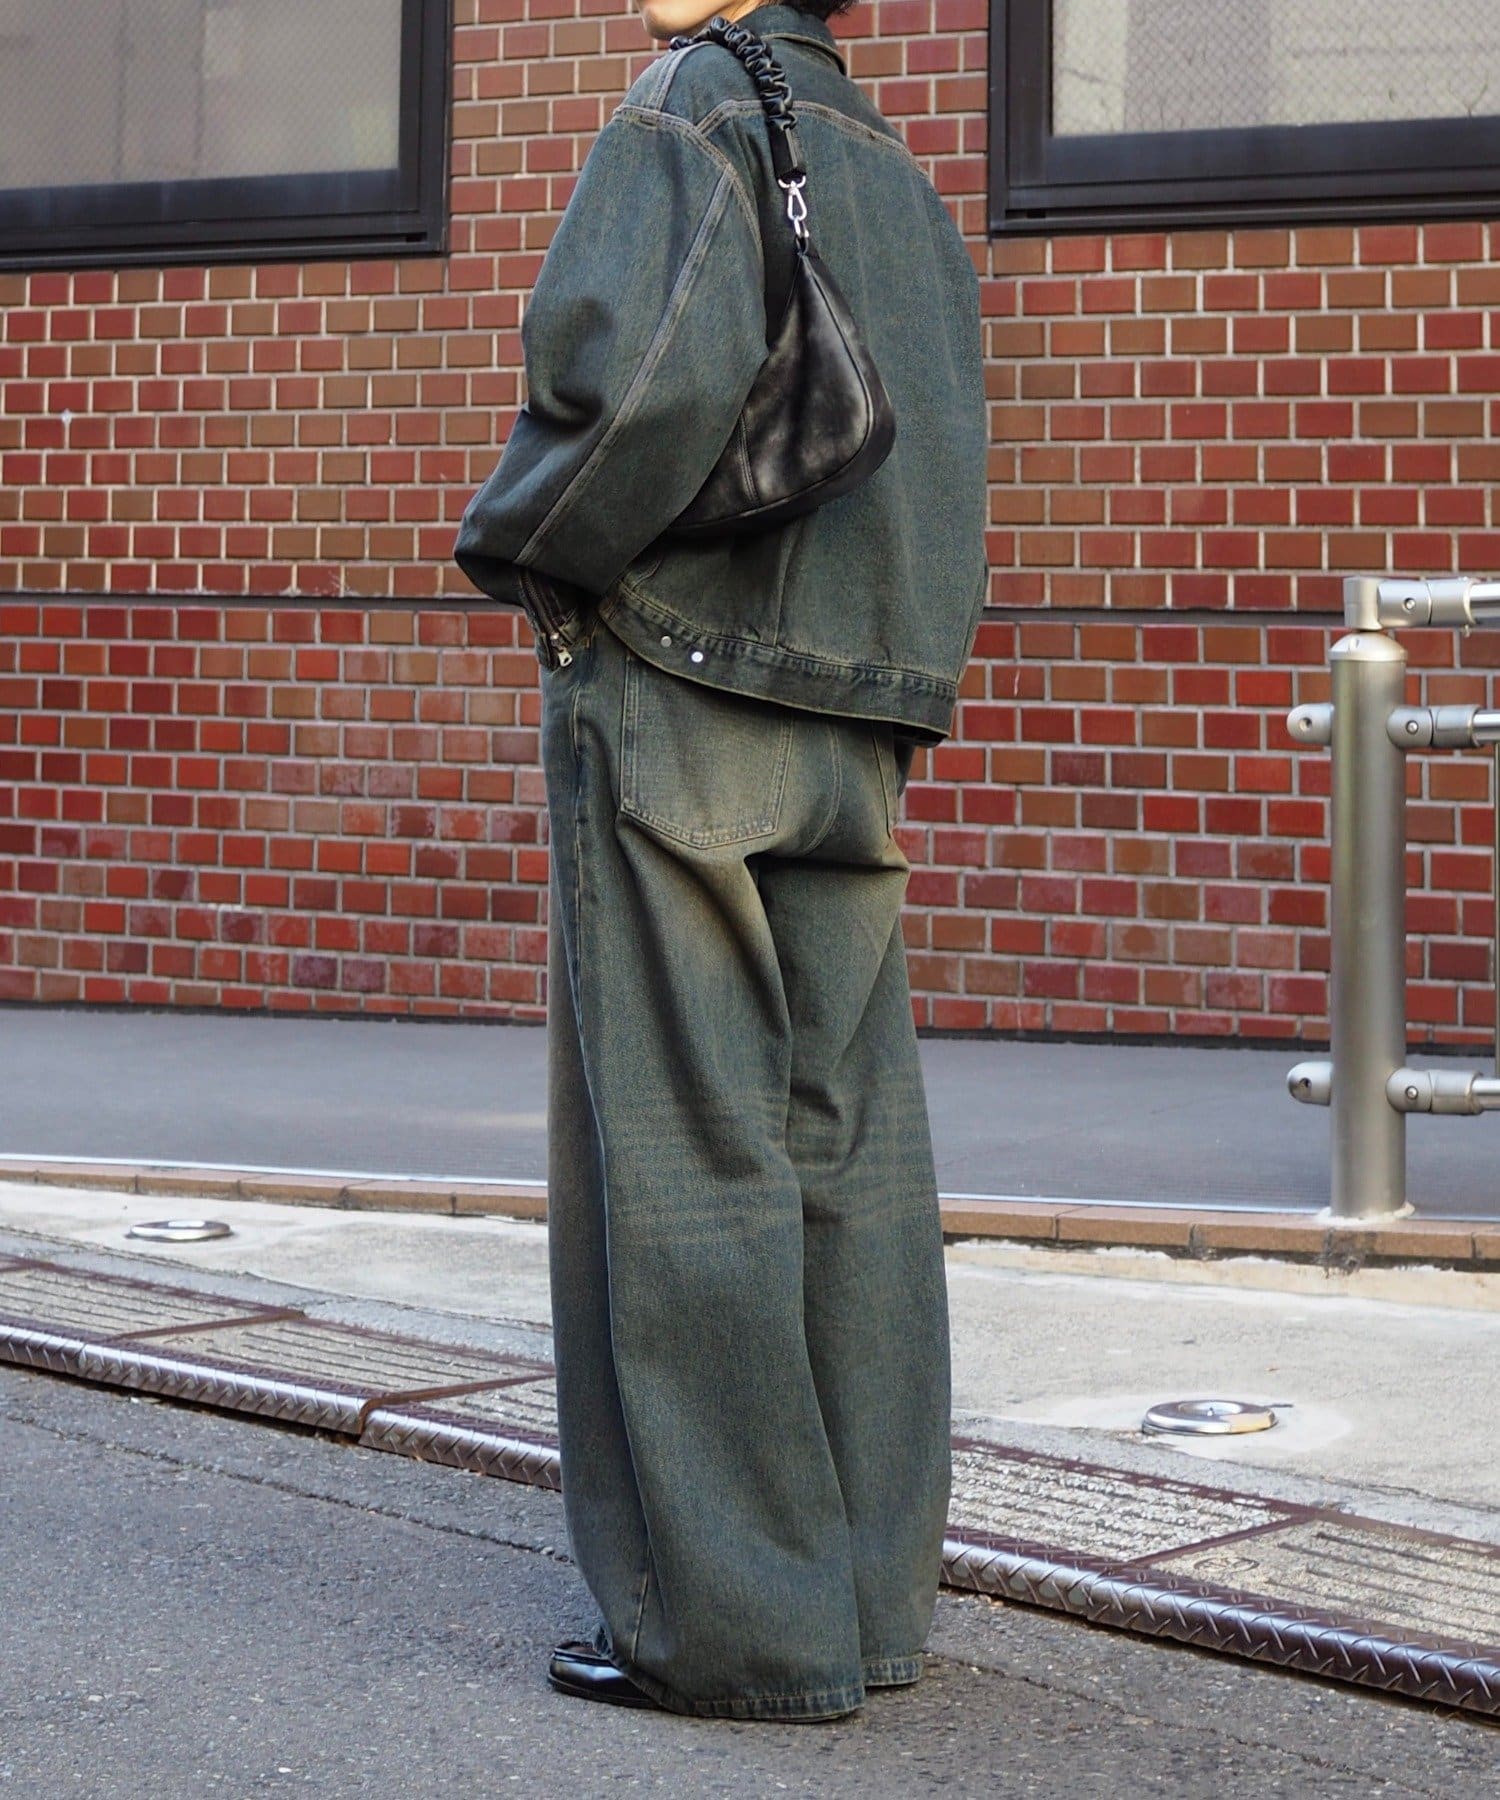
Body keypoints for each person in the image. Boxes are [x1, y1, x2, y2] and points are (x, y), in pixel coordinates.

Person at [453, 0, 987, 1722]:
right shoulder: (894, 161)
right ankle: (864, 1604)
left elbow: (628, 389)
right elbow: (943, 455)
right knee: (848, 1143)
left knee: (684, 1138)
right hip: (862, 703)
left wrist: (532, 558)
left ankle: (741, 1629)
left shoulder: (688, 108)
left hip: (684, 681)